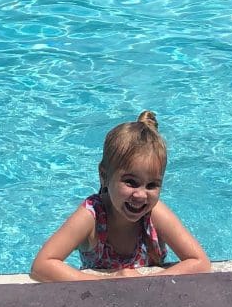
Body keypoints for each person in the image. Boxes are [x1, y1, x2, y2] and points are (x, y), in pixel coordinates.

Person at [31, 111, 211, 282]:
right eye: (130, 182)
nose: (141, 195)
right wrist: (109, 281)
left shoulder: (155, 213)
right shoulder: (91, 216)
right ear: (104, 176)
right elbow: (42, 265)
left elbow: (200, 262)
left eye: (152, 185)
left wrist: (145, 282)